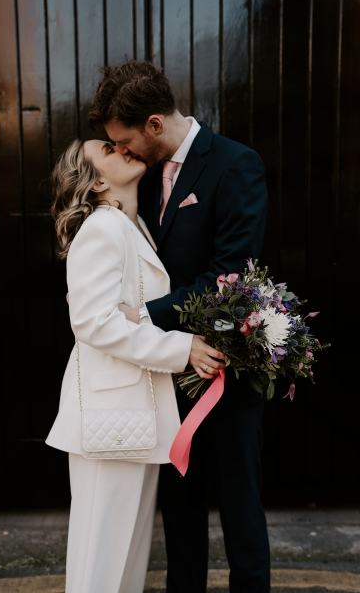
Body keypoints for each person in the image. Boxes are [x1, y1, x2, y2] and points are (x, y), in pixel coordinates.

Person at [88, 60, 270, 593]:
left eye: (124, 141)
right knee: (180, 506)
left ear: (153, 126)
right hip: (165, 369)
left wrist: (144, 317)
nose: (121, 153)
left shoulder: (237, 165)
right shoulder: (137, 178)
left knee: (239, 501)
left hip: (226, 370)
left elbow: (228, 274)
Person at [45, 138, 224, 593]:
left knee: (126, 558)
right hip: (110, 417)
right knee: (101, 560)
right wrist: (181, 349)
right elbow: (93, 322)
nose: (123, 146)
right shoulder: (102, 228)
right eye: (108, 148)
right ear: (99, 180)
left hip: (134, 417)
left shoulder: (134, 226)